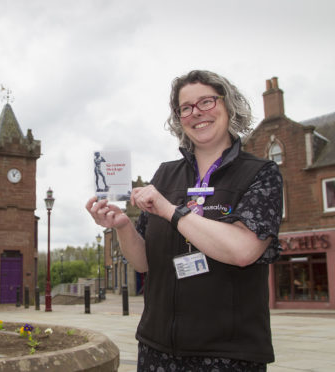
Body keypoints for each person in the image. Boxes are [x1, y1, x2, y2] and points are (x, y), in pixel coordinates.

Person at [86, 70, 283, 371]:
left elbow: (244, 250)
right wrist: (123, 225)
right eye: (186, 108)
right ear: (179, 118)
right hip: (157, 349)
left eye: (206, 102)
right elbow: (143, 263)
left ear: (228, 105)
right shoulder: (165, 175)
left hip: (228, 354)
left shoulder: (261, 173)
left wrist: (171, 210)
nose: (197, 113)